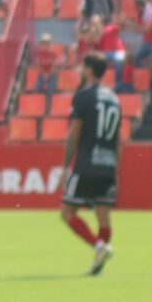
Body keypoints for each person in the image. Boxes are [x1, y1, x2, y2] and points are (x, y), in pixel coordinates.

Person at [60, 53, 122, 274]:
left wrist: (65, 165)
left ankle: (99, 247)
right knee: (103, 214)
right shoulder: (114, 98)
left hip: (87, 163)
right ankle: (99, 261)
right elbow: (118, 138)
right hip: (108, 164)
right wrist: (115, 168)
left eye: (82, 66)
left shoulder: (83, 96)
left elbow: (74, 133)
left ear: (88, 70)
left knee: (67, 212)